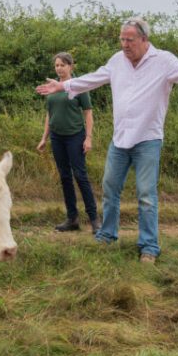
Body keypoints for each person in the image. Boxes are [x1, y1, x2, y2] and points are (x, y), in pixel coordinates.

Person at [36, 17, 178, 263]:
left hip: (147, 140)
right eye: (122, 39)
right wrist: (64, 86)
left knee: (145, 194)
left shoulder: (163, 61)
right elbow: (94, 78)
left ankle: (149, 247)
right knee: (110, 189)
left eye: (129, 40)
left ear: (144, 40)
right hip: (120, 139)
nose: (124, 44)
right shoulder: (117, 61)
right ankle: (107, 235)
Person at [36, 52, 100, 234]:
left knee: (80, 175)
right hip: (57, 137)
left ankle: (94, 218)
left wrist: (88, 138)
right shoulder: (52, 88)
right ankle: (72, 219)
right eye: (56, 65)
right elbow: (50, 114)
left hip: (75, 136)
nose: (59, 68)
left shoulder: (79, 87)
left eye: (62, 65)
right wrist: (44, 138)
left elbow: (88, 113)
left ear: (71, 67)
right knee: (65, 177)